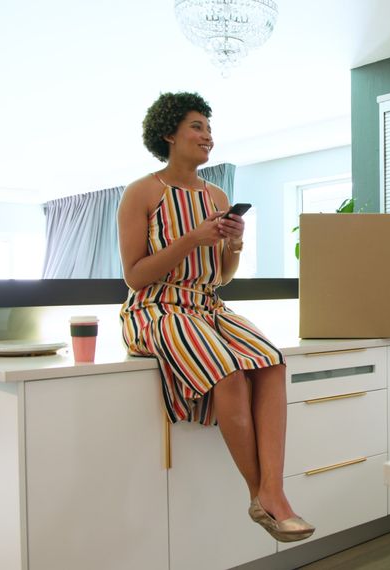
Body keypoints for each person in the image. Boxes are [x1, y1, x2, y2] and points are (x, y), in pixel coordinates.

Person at [117, 92, 313, 542]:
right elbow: (134, 276)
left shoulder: (216, 195)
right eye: (197, 127)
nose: (208, 136)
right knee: (227, 374)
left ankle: (271, 491)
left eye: (209, 128)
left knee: (271, 362)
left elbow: (221, 276)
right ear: (169, 133)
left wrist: (233, 243)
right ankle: (264, 497)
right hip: (158, 307)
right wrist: (193, 238)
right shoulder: (142, 192)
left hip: (209, 307)